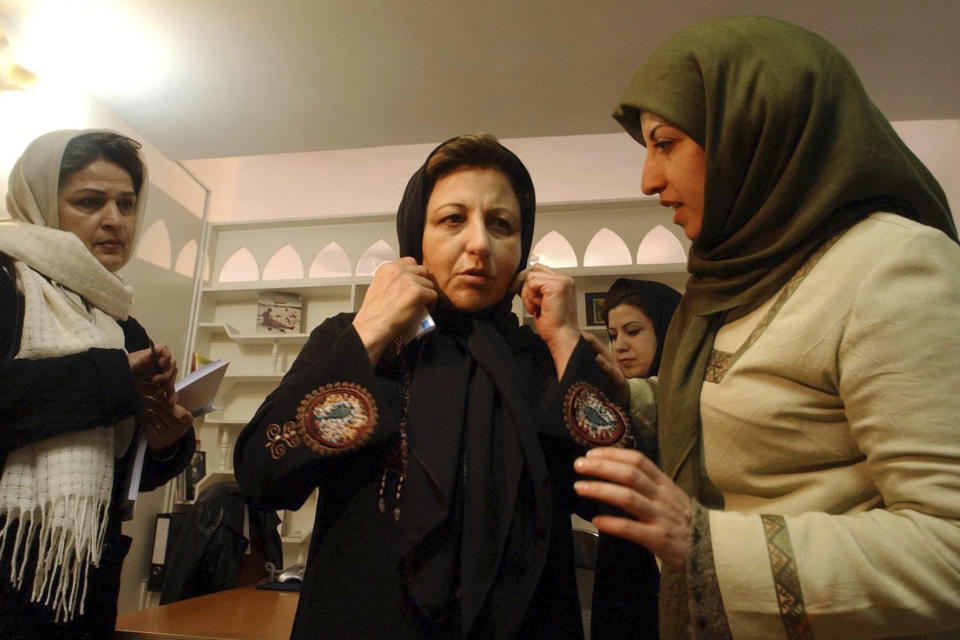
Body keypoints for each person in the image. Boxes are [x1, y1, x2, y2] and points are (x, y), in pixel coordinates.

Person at [572, 16, 960, 640]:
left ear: (753, 130)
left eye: (666, 143)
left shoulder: (892, 266)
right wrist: (598, 373)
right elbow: (741, 406)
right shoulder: (740, 270)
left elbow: (951, 549)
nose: (647, 179)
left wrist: (705, 546)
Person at [234, 133, 637, 639]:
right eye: (452, 219)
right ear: (415, 237)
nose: (479, 243)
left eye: (501, 224)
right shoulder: (355, 342)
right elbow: (262, 475)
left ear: (523, 248)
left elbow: (624, 504)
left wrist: (565, 345)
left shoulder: (543, 358)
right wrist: (371, 330)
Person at [0, 130, 196, 638]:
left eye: (127, 204)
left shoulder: (118, 318)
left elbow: (118, 469)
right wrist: (111, 378)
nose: (115, 220)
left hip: (82, 581)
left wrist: (166, 444)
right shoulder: (8, 280)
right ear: (40, 200)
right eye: (89, 202)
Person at [589, 278, 680, 640]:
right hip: (623, 569)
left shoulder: (695, 398)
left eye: (633, 331)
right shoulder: (610, 399)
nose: (621, 346)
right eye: (613, 335)